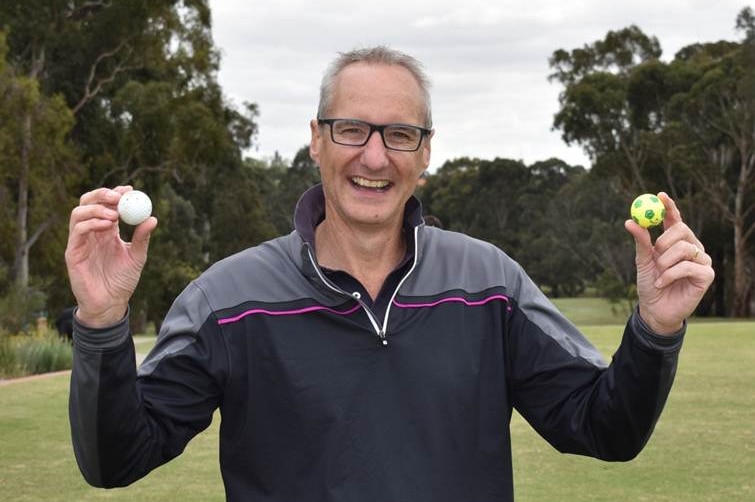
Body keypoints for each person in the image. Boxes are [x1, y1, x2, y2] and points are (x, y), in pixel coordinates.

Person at [66, 46, 715, 501]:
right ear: (315, 140)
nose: (373, 155)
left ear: (425, 152)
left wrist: (654, 329)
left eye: (399, 134)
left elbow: (604, 428)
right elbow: (116, 460)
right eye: (351, 129)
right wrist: (100, 322)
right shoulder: (226, 299)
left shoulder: (489, 283)